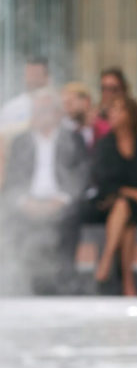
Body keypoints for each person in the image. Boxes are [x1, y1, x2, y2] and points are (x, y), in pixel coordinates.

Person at [1, 88, 89, 294]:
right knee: (11, 219)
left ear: (57, 113)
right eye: (36, 111)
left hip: (62, 203)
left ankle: (65, 283)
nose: (39, 115)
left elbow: (83, 176)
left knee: (69, 218)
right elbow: (12, 180)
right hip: (28, 203)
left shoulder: (73, 139)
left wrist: (62, 199)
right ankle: (22, 285)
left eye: (44, 110)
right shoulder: (21, 141)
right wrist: (24, 201)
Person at [89, 94, 137, 296]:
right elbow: (104, 182)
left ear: (131, 114)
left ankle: (106, 265)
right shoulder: (105, 145)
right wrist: (136, 194)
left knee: (126, 213)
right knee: (124, 209)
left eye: (119, 109)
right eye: (111, 110)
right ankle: (128, 283)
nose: (113, 114)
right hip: (112, 203)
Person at [92, 67, 129, 144]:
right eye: (103, 88)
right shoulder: (94, 116)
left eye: (113, 89)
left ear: (123, 89)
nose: (107, 93)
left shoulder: (130, 115)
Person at [61, 82, 96, 150]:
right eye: (64, 103)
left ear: (86, 101)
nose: (67, 108)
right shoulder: (63, 128)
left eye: (70, 102)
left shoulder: (99, 128)